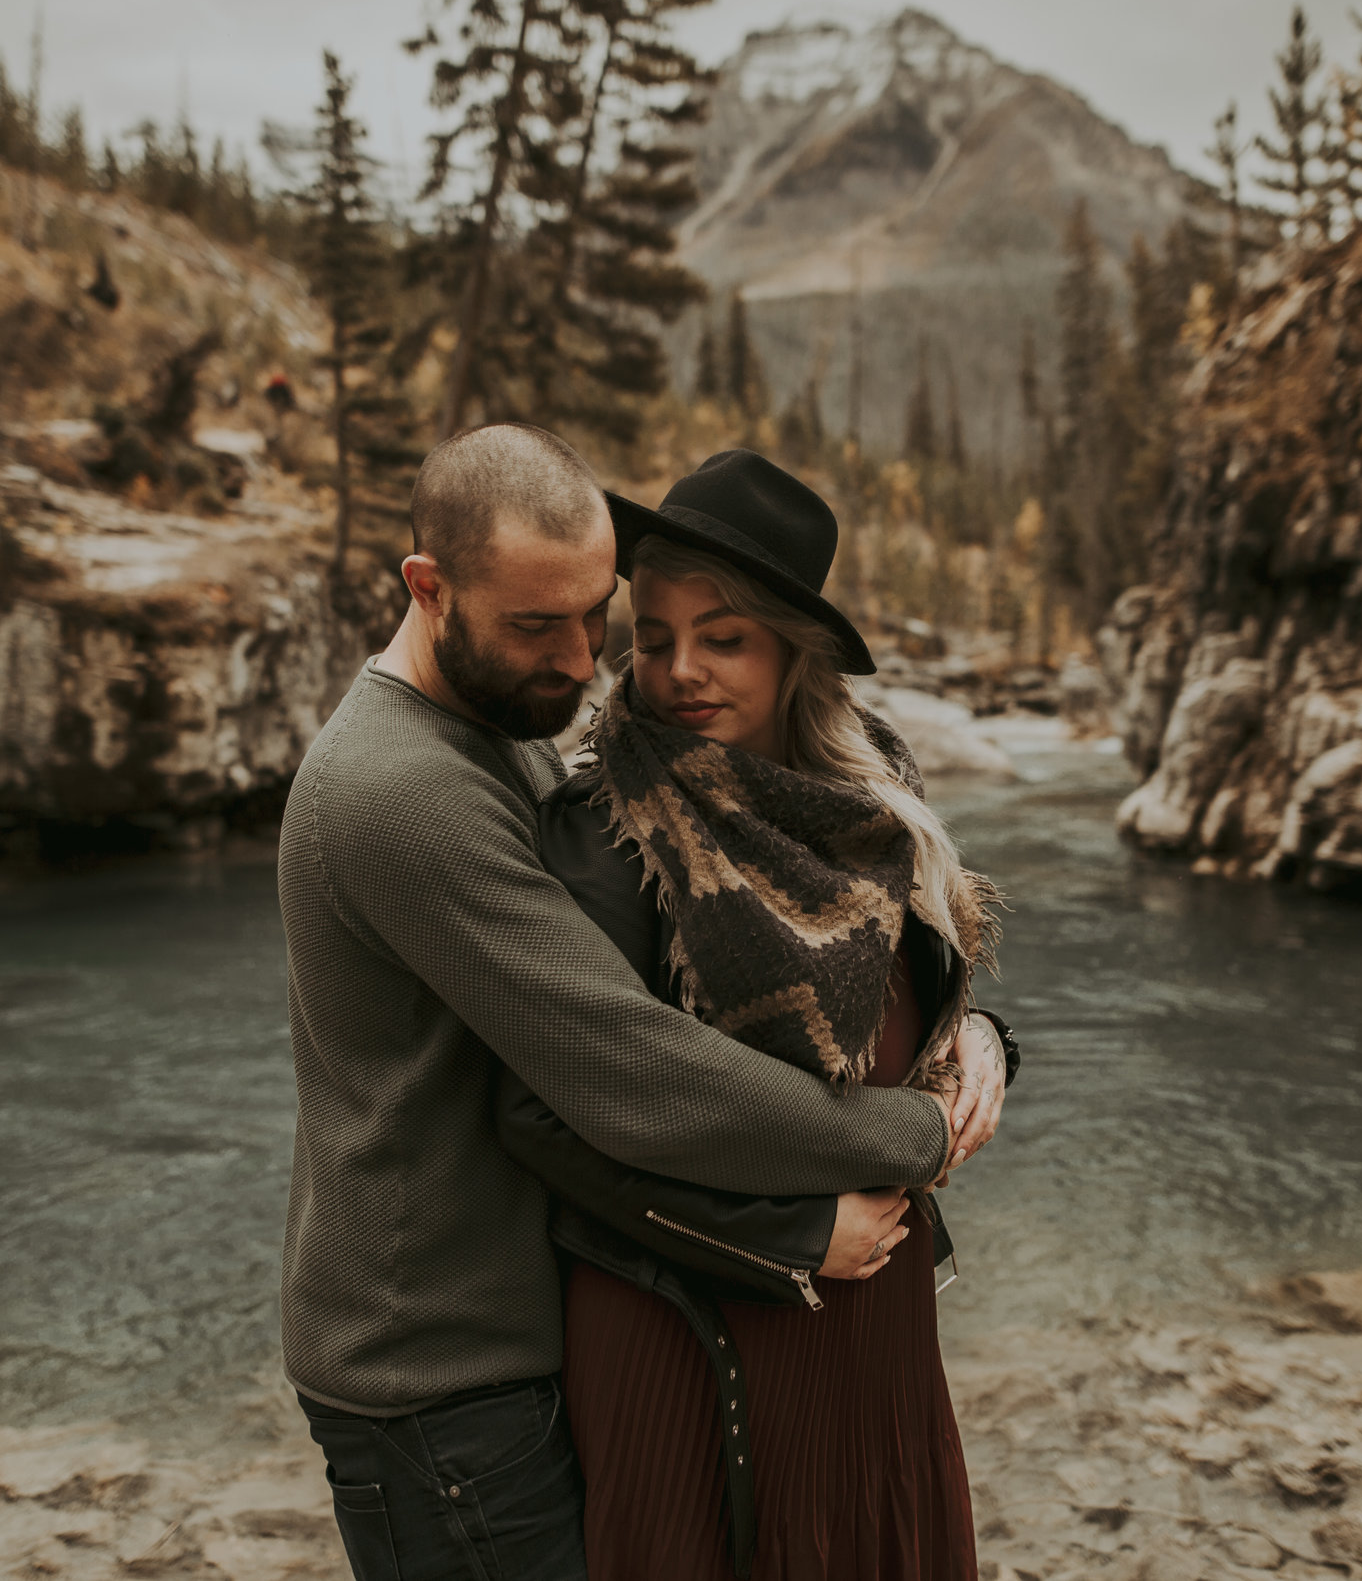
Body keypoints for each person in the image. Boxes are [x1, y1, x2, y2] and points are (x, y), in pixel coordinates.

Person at [276, 424, 970, 1581]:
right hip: (438, 1375)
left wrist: (980, 1041)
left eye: (594, 617)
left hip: (498, 1344)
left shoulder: (502, 732)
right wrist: (918, 1134)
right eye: (535, 626)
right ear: (427, 588)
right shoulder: (403, 790)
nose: (578, 661)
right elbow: (627, 1066)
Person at [496, 449, 1013, 1580]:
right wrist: (789, 1239)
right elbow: (543, 1115)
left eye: (721, 637)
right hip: (691, 1316)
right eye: (656, 633)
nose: (677, 671)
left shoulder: (874, 788)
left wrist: (982, 1040)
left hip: (872, 1317)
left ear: (794, 650)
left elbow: (918, 987)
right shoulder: (604, 823)